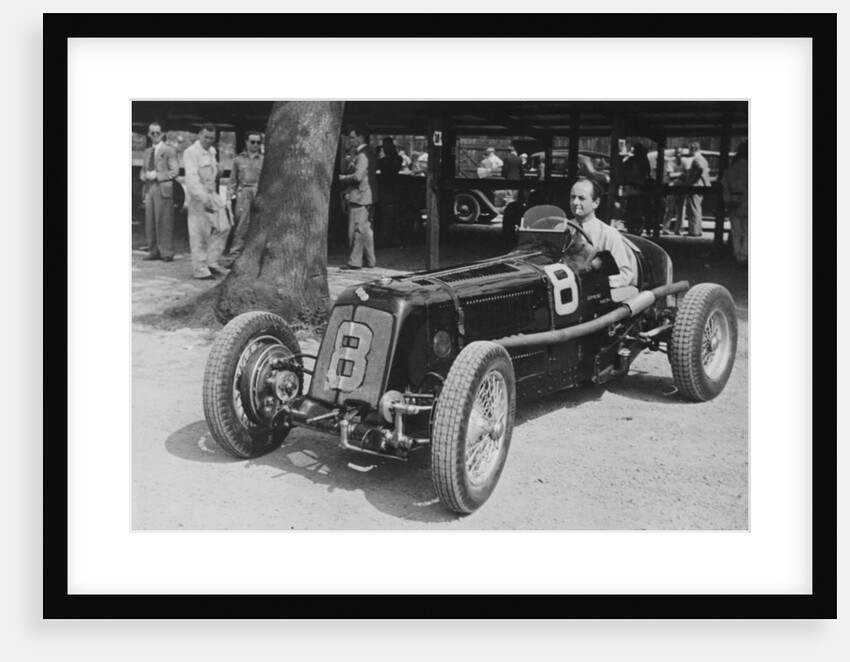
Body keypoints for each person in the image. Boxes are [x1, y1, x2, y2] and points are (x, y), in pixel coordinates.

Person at [569, 178, 637, 288]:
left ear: (595, 203)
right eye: (572, 197)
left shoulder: (608, 234)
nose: (575, 202)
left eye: (581, 198)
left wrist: (596, 282)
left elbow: (626, 274)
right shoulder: (562, 228)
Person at [183, 124, 229, 280]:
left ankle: (211, 262)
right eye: (206, 137)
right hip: (198, 196)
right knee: (199, 233)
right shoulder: (191, 152)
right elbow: (191, 179)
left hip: (212, 192)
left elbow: (212, 172)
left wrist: (218, 171)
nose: (209, 140)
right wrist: (203, 199)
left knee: (224, 226)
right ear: (199, 136)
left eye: (212, 138)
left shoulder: (211, 151)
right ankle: (200, 270)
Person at [339, 126, 378, 270]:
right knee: (366, 230)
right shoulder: (369, 153)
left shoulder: (361, 155)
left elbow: (357, 176)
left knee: (356, 230)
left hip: (359, 196)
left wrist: (342, 177)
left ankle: (355, 262)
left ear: (361, 138)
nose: (351, 140)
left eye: (353, 137)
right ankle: (370, 260)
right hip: (368, 196)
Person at [140, 122, 179, 262]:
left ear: (162, 134)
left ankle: (166, 252)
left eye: (158, 133)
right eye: (152, 133)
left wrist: (158, 175)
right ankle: (153, 251)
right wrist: (143, 175)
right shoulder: (146, 152)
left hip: (163, 188)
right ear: (148, 134)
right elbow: (143, 169)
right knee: (150, 221)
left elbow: (174, 171)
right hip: (149, 188)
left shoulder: (169, 150)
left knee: (164, 221)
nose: (155, 135)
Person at [225, 130, 264, 261]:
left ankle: (253, 255)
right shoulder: (238, 159)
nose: (255, 145)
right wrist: (229, 197)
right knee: (241, 224)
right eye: (252, 142)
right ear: (246, 142)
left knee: (258, 224)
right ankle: (234, 255)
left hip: (258, 192)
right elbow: (232, 180)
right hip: (243, 192)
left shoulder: (263, 159)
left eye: (258, 142)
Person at [721, 140, 748, 266]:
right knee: (748, 231)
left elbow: (724, 186)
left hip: (732, 200)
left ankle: (738, 255)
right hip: (746, 201)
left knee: (736, 231)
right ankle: (745, 254)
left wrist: (729, 202)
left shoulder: (729, 170)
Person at [618, 142, 652, 235]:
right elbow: (647, 173)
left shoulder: (632, 160)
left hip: (634, 188)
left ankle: (635, 227)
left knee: (633, 209)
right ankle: (642, 227)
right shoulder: (642, 160)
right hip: (638, 188)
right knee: (641, 209)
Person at [682, 141, 711, 237]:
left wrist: (692, 181)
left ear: (693, 149)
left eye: (690, 149)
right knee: (697, 208)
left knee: (693, 208)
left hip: (695, 186)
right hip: (701, 186)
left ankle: (693, 231)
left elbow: (700, 169)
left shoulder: (697, 158)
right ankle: (697, 230)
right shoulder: (702, 158)